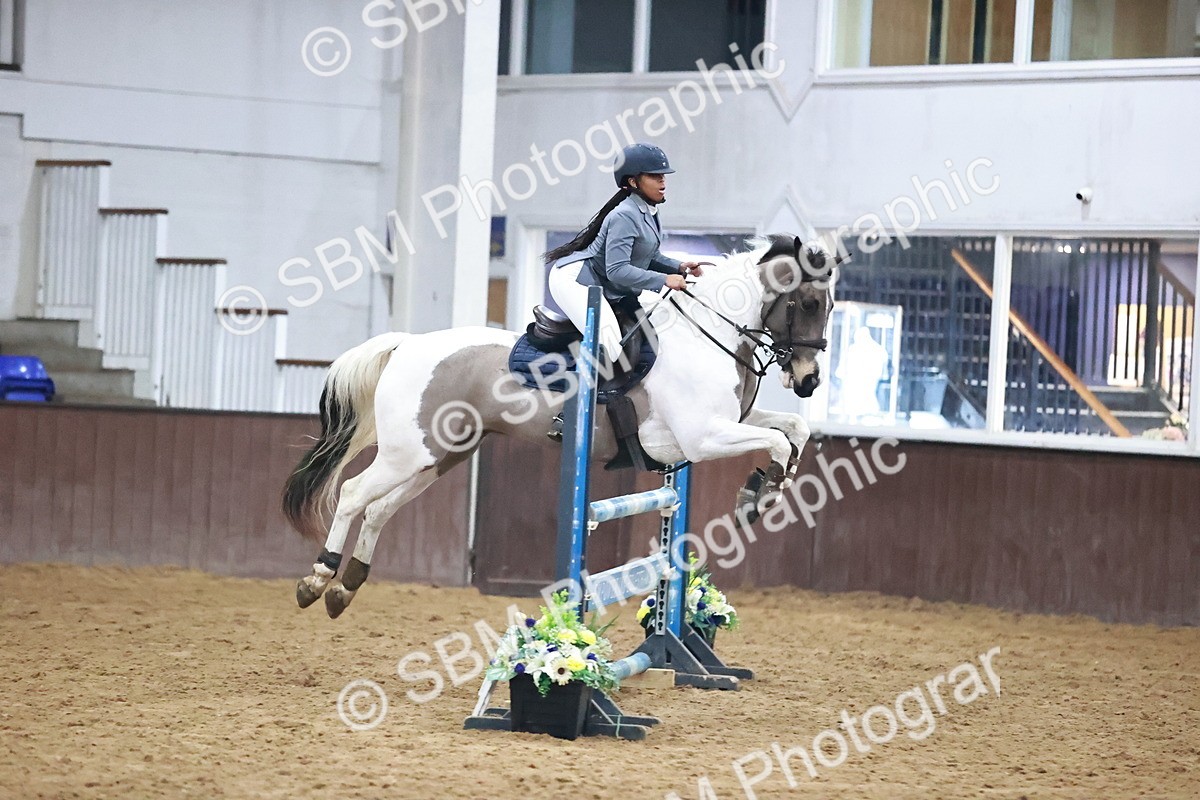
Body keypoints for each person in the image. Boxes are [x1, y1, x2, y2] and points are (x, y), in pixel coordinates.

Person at [544, 142, 704, 364]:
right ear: (632, 181)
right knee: (608, 345)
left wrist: (678, 267)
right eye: (654, 175)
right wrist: (665, 279)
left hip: (601, 283)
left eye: (664, 175)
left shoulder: (648, 211)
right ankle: (572, 397)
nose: (663, 181)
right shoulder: (624, 215)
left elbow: (650, 257)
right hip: (575, 280)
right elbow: (617, 270)